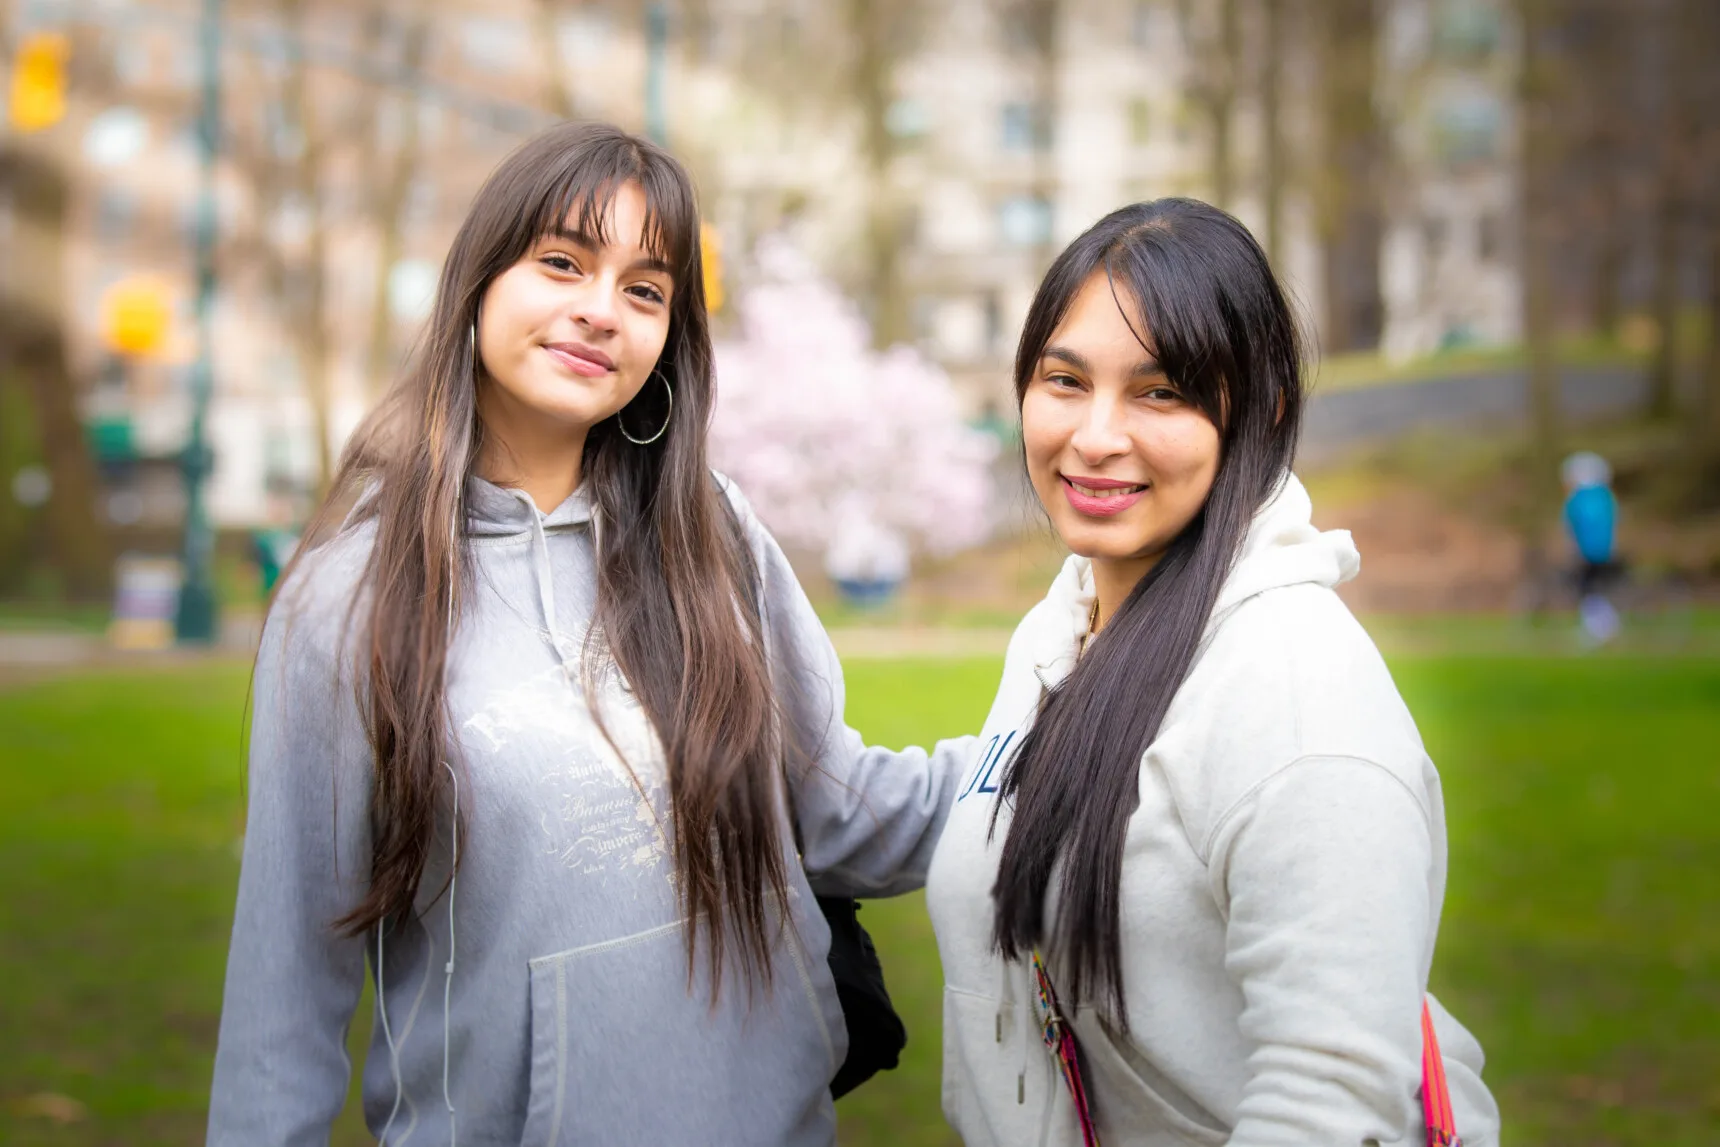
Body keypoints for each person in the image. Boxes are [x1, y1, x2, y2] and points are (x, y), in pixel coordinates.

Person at [207, 122, 973, 1146]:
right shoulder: (348, 599)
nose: (599, 312)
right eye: (562, 262)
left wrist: (1071, 741)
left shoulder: (713, 534)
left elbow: (840, 812)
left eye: (645, 289)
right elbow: (285, 984)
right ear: (481, 279)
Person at [924, 199, 1501, 1146]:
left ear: (1260, 410)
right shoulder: (1069, 621)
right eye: (1065, 380)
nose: (1097, 435)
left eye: (1160, 393)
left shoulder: (1297, 693)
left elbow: (1333, 1103)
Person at [1561, 450, 1621, 645]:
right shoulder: (1605, 497)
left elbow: (1572, 526)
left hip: (1587, 552)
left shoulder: (1578, 499)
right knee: (1597, 587)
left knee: (1585, 589)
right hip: (1608, 551)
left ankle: (1601, 628)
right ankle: (1603, 625)